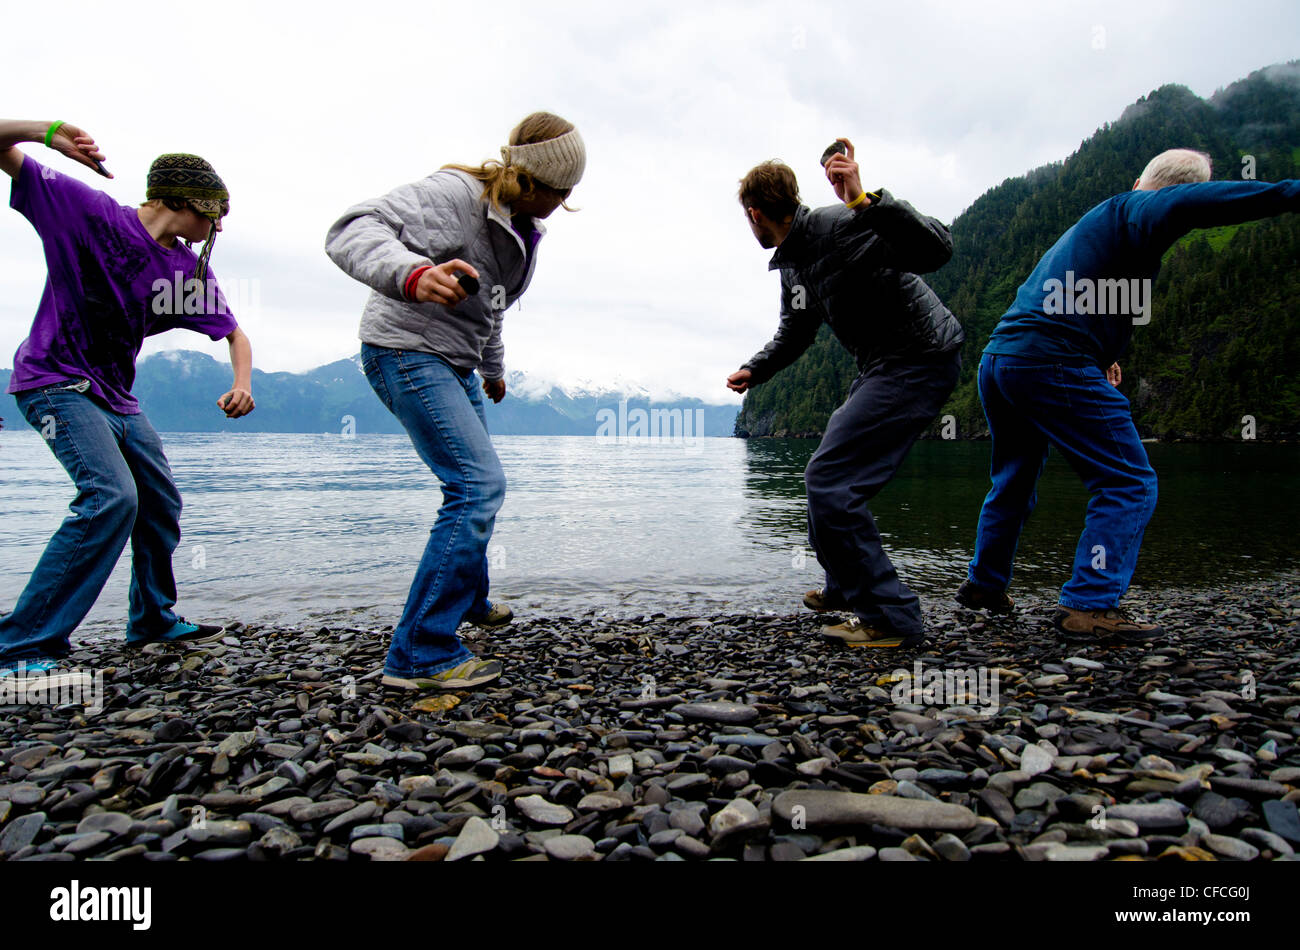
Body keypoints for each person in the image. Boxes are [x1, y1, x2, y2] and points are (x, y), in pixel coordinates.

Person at [959, 149, 1300, 643]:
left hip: (1002, 360)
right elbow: (1190, 205)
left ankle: (984, 587)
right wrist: (1290, 193)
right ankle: (1090, 604)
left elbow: (1063, 294)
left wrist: (1098, 353)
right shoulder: (1138, 209)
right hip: (1051, 361)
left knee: (1012, 481)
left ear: (1141, 175)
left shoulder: (1099, 225)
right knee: (1127, 482)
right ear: (1174, 191)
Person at [325, 112, 585, 691]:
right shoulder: (455, 196)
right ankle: (419, 653)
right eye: (562, 189)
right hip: (406, 351)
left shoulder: (520, 226)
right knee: (477, 485)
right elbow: (350, 228)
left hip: (458, 361)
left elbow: (490, 303)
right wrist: (413, 274)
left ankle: (469, 599)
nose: (566, 201)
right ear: (537, 180)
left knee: (475, 486)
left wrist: (492, 368)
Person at [0, 119, 255, 688]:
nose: (215, 227)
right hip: (54, 381)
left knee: (158, 503)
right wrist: (48, 132)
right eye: (212, 214)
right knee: (110, 498)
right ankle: (22, 643)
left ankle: (150, 620)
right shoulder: (85, 211)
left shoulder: (186, 269)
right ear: (181, 201)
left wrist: (243, 382)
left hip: (117, 398)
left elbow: (235, 333)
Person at [728, 140, 964, 649]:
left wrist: (865, 201)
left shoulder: (842, 225)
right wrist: (756, 368)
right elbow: (797, 330)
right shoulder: (795, 262)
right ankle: (844, 586)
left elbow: (936, 248)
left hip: (919, 358)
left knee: (832, 479)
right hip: (884, 365)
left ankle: (890, 617)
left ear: (754, 214)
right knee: (824, 473)